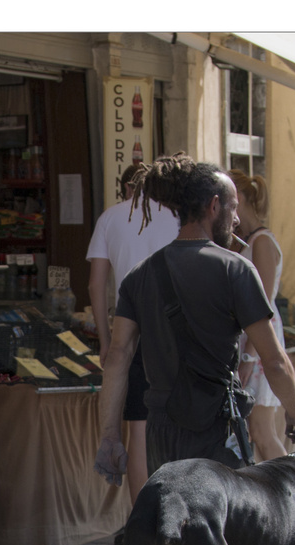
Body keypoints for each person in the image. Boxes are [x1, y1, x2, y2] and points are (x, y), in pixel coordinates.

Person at [94, 155, 295, 545]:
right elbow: (274, 356)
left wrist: (107, 435)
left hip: (165, 436)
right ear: (212, 207)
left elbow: (117, 358)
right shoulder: (236, 271)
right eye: (233, 208)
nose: (237, 220)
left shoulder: (142, 277)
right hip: (218, 436)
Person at [86, 163, 181, 509]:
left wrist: (105, 338)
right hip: (176, 330)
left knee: (137, 429)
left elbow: (96, 284)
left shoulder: (110, 218)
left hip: (131, 328)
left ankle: (141, 522)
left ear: (127, 187)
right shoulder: (177, 215)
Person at [230, 170, 289, 462]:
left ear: (237, 199)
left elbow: (261, 304)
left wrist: (250, 356)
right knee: (251, 431)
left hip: (258, 340)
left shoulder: (262, 241)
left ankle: (293, 492)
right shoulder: (244, 240)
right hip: (249, 338)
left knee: (263, 431)